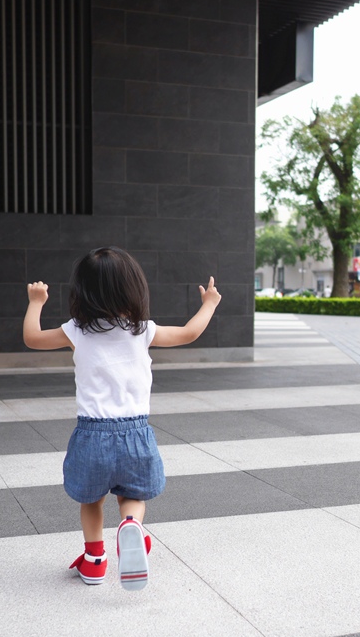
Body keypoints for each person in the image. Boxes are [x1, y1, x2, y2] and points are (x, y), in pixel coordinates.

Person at [23, 246, 222, 592]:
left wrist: (36, 302)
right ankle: (131, 524)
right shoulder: (142, 331)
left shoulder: (76, 331)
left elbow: (31, 338)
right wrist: (209, 304)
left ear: (82, 292)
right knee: (133, 495)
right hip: (136, 433)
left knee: (91, 500)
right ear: (134, 289)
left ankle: (96, 559)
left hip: (92, 435)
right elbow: (190, 333)